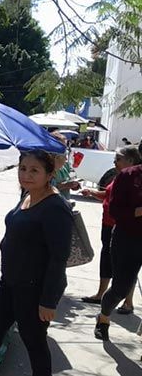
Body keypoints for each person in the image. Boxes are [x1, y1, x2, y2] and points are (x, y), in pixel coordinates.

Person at [0, 150, 73, 376]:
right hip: (10, 282)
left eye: (34, 170)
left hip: (33, 288)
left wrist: (48, 301)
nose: (26, 174)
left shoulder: (55, 208)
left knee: (34, 340)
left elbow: (59, 257)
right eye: (23, 168)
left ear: (49, 174)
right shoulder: (27, 195)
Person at [80, 145, 142, 314]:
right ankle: (105, 308)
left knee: (125, 273)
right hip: (120, 231)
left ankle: (126, 302)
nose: (115, 162)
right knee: (118, 275)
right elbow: (113, 204)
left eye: (118, 159)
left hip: (124, 231)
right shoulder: (127, 176)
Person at [95, 143, 142, 341]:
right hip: (127, 238)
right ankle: (103, 318)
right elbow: (114, 211)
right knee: (120, 288)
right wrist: (138, 212)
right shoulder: (128, 176)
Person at [50, 133, 80, 199]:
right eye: (62, 146)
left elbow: (73, 177)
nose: (64, 149)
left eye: (65, 147)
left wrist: (75, 185)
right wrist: (65, 185)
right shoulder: (46, 166)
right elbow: (45, 189)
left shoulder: (65, 164)